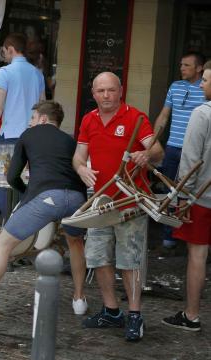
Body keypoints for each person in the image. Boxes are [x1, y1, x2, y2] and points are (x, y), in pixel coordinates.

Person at [0, 100, 89, 319]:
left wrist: (27, 193)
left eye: (32, 118)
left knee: (3, 243)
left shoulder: (28, 135)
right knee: (76, 243)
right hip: (76, 198)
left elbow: (12, 176)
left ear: (43, 119)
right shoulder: (70, 140)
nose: (30, 123)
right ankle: (79, 299)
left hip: (47, 196)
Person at [73, 72, 164, 341]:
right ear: (93, 93)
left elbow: (158, 150)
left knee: (130, 260)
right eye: (100, 91)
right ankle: (112, 311)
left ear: (120, 90)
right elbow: (79, 156)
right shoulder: (89, 119)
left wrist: (146, 154)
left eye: (111, 90)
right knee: (98, 256)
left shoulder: (135, 117)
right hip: (101, 201)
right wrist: (81, 169)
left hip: (131, 200)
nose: (106, 96)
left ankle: (134, 315)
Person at [162, 60, 211, 332]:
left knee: (197, 256)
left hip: (201, 198)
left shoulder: (202, 113)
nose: (201, 85)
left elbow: (191, 160)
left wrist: (182, 195)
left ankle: (191, 315)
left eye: (205, 80)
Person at [0, 32, 45, 217]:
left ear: (11, 49)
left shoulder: (5, 72)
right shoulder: (37, 74)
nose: (4, 55)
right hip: (34, 136)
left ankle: (15, 219)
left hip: (11, 136)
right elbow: (43, 107)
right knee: (19, 179)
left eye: (5, 51)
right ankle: (23, 213)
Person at [153, 52, 206, 249]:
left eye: (186, 65)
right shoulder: (175, 87)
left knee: (192, 192)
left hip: (195, 151)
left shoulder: (206, 88)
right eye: (181, 64)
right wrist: (152, 143)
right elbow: (164, 116)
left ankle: (191, 235)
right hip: (173, 147)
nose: (182, 68)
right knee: (170, 190)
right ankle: (170, 236)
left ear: (199, 68)